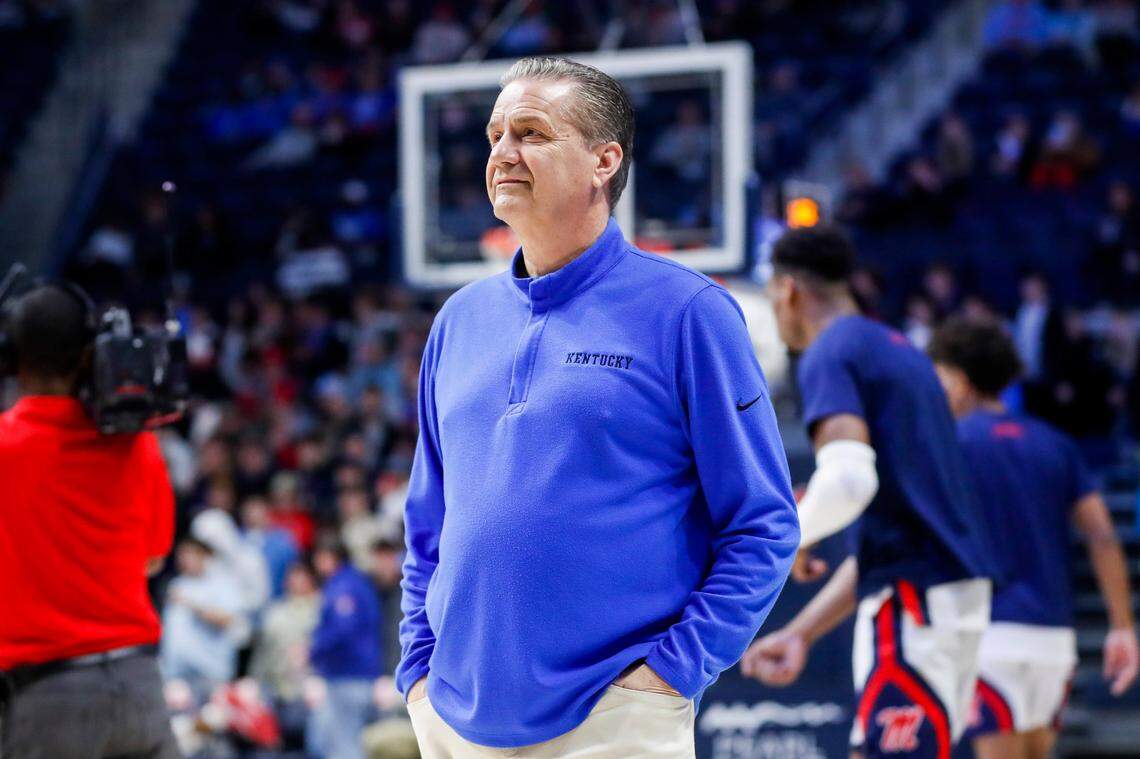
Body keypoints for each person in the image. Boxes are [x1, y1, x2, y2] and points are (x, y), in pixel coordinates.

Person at [397, 56, 799, 758]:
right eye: (495, 134)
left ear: (603, 160)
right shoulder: (457, 320)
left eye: (530, 133)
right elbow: (427, 523)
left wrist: (670, 673)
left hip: (616, 720)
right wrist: (418, 673)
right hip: (453, 721)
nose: (502, 152)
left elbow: (762, 523)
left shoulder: (689, 311)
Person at [741, 225, 1000, 759]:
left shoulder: (831, 351)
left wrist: (778, 539)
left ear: (788, 290)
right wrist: (803, 632)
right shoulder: (899, 350)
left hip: (916, 609)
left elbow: (849, 480)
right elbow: (893, 525)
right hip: (932, 597)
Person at [927, 317, 1139, 759]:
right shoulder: (1055, 444)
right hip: (1053, 642)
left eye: (940, 378)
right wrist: (1121, 626)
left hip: (986, 637)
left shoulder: (947, 444)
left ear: (961, 380)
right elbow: (1101, 536)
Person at [0, 284, 179, 757]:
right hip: (141, 691)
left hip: (47, 701)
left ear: (11, 357)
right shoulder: (137, 443)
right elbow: (154, 558)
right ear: (88, 355)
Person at [307, 534, 382, 759]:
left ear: (331, 557)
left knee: (346, 746)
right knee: (333, 742)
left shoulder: (345, 585)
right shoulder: (351, 582)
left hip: (349, 675)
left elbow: (343, 630)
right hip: (351, 674)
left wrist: (312, 650)